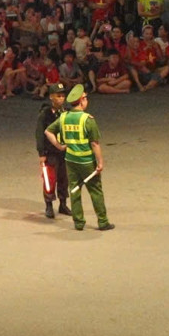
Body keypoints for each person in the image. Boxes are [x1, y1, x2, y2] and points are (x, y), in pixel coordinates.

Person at [44, 84, 112, 231]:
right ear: (81, 101)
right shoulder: (88, 119)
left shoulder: (64, 117)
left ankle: (79, 222)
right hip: (87, 161)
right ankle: (102, 221)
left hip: (70, 160)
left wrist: (60, 146)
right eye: (86, 98)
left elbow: (48, 131)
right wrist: (100, 162)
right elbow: (94, 144)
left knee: (74, 190)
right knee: (95, 190)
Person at [34, 80, 68, 220]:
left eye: (62, 96)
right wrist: (41, 153)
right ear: (51, 97)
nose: (61, 98)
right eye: (57, 96)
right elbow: (39, 133)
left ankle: (63, 203)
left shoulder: (66, 112)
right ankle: (48, 205)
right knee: (50, 179)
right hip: (50, 152)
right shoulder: (45, 114)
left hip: (64, 152)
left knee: (64, 178)